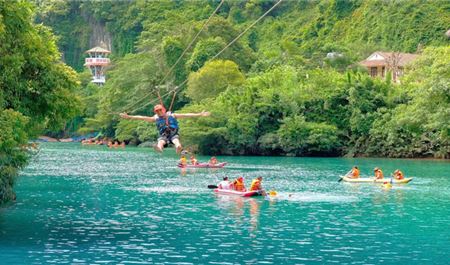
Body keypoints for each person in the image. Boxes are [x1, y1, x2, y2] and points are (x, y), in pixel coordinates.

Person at [120, 104, 210, 153]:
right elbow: (141, 117)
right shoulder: (155, 118)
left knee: (175, 140)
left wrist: (200, 114)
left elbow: (186, 115)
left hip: (173, 132)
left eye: (160, 110)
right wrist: (129, 117)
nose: (159, 112)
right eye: (157, 111)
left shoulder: (172, 115)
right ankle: (159, 148)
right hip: (164, 134)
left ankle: (178, 147)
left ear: (163, 110)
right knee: (161, 141)